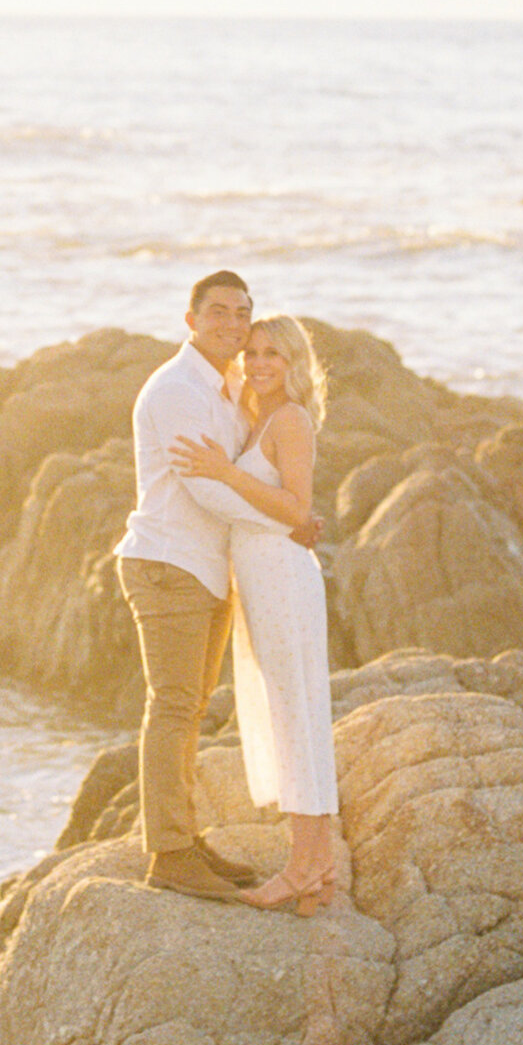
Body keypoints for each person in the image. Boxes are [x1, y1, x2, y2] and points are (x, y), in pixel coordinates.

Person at [116, 270, 279, 904]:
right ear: (190, 320)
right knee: (175, 707)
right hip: (168, 564)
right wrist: (287, 516)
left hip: (206, 567)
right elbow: (206, 487)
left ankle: (184, 838)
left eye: (242, 314)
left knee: (190, 710)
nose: (233, 325)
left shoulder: (228, 383)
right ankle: (170, 855)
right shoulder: (177, 389)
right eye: (218, 313)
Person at [171, 315, 339, 914]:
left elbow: (298, 510)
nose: (261, 362)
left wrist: (220, 472)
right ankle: (317, 864)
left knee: (298, 715)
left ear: (294, 363)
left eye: (275, 354)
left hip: (283, 578)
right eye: (255, 352)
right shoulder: (254, 418)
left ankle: (302, 867)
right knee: (288, 711)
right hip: (261, 577)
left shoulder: (290, 420)